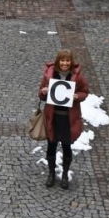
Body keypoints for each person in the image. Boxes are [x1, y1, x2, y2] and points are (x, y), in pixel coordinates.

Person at [38, 50, 89, 190]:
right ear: (58, 61)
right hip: (53, 117)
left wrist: (77, 96)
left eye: (67, 61)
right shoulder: (49, 75)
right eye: (62, 60)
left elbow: (85, 91)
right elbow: (41, 94)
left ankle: (65, 174)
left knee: (67, 146)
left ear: (71, 62)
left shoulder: (77, 76)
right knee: (51, 145)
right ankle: (51, 173)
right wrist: (43, 92)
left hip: (68, 119)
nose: (65, 63)